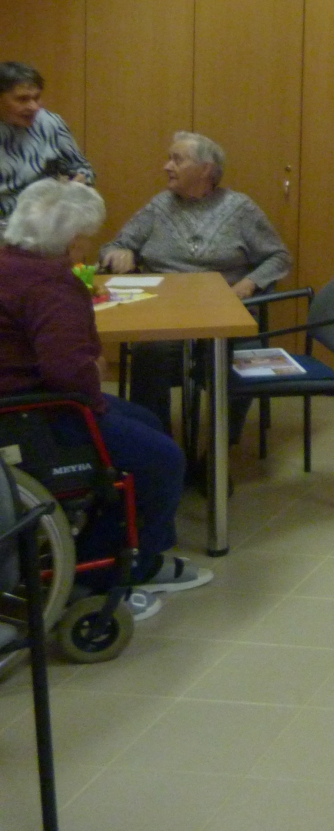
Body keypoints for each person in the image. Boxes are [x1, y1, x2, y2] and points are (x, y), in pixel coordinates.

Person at [0, 179, 212, 621]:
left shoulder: (9, 262)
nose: (86, 249)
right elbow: (68, 371)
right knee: (162, 459)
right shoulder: (50, 283)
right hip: (37, 411)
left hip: (24, 401)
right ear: (70, 241)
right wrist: (95, 381)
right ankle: (107, 572)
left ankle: (136, 553)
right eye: (85, 239)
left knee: (146, 421)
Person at [100, 132, 290, 434]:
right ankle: (155, 439)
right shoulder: (159, 206)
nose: (166, 166)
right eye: (169, 159)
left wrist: (250, 283)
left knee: (235, 359)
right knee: (149, 353)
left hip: (222, 316)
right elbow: (115, 245)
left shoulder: (240, 208)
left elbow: (278, 257)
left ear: (205, 169)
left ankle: (220, 447)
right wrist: (119, 252)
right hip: (164, 317)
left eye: (177, 159)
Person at [0, 61, 94, 231]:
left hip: (43, 228)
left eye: (37, 98)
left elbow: (84, 170)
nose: (34, 107)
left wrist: (78, 182)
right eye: (22, 99)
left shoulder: (50, 123)